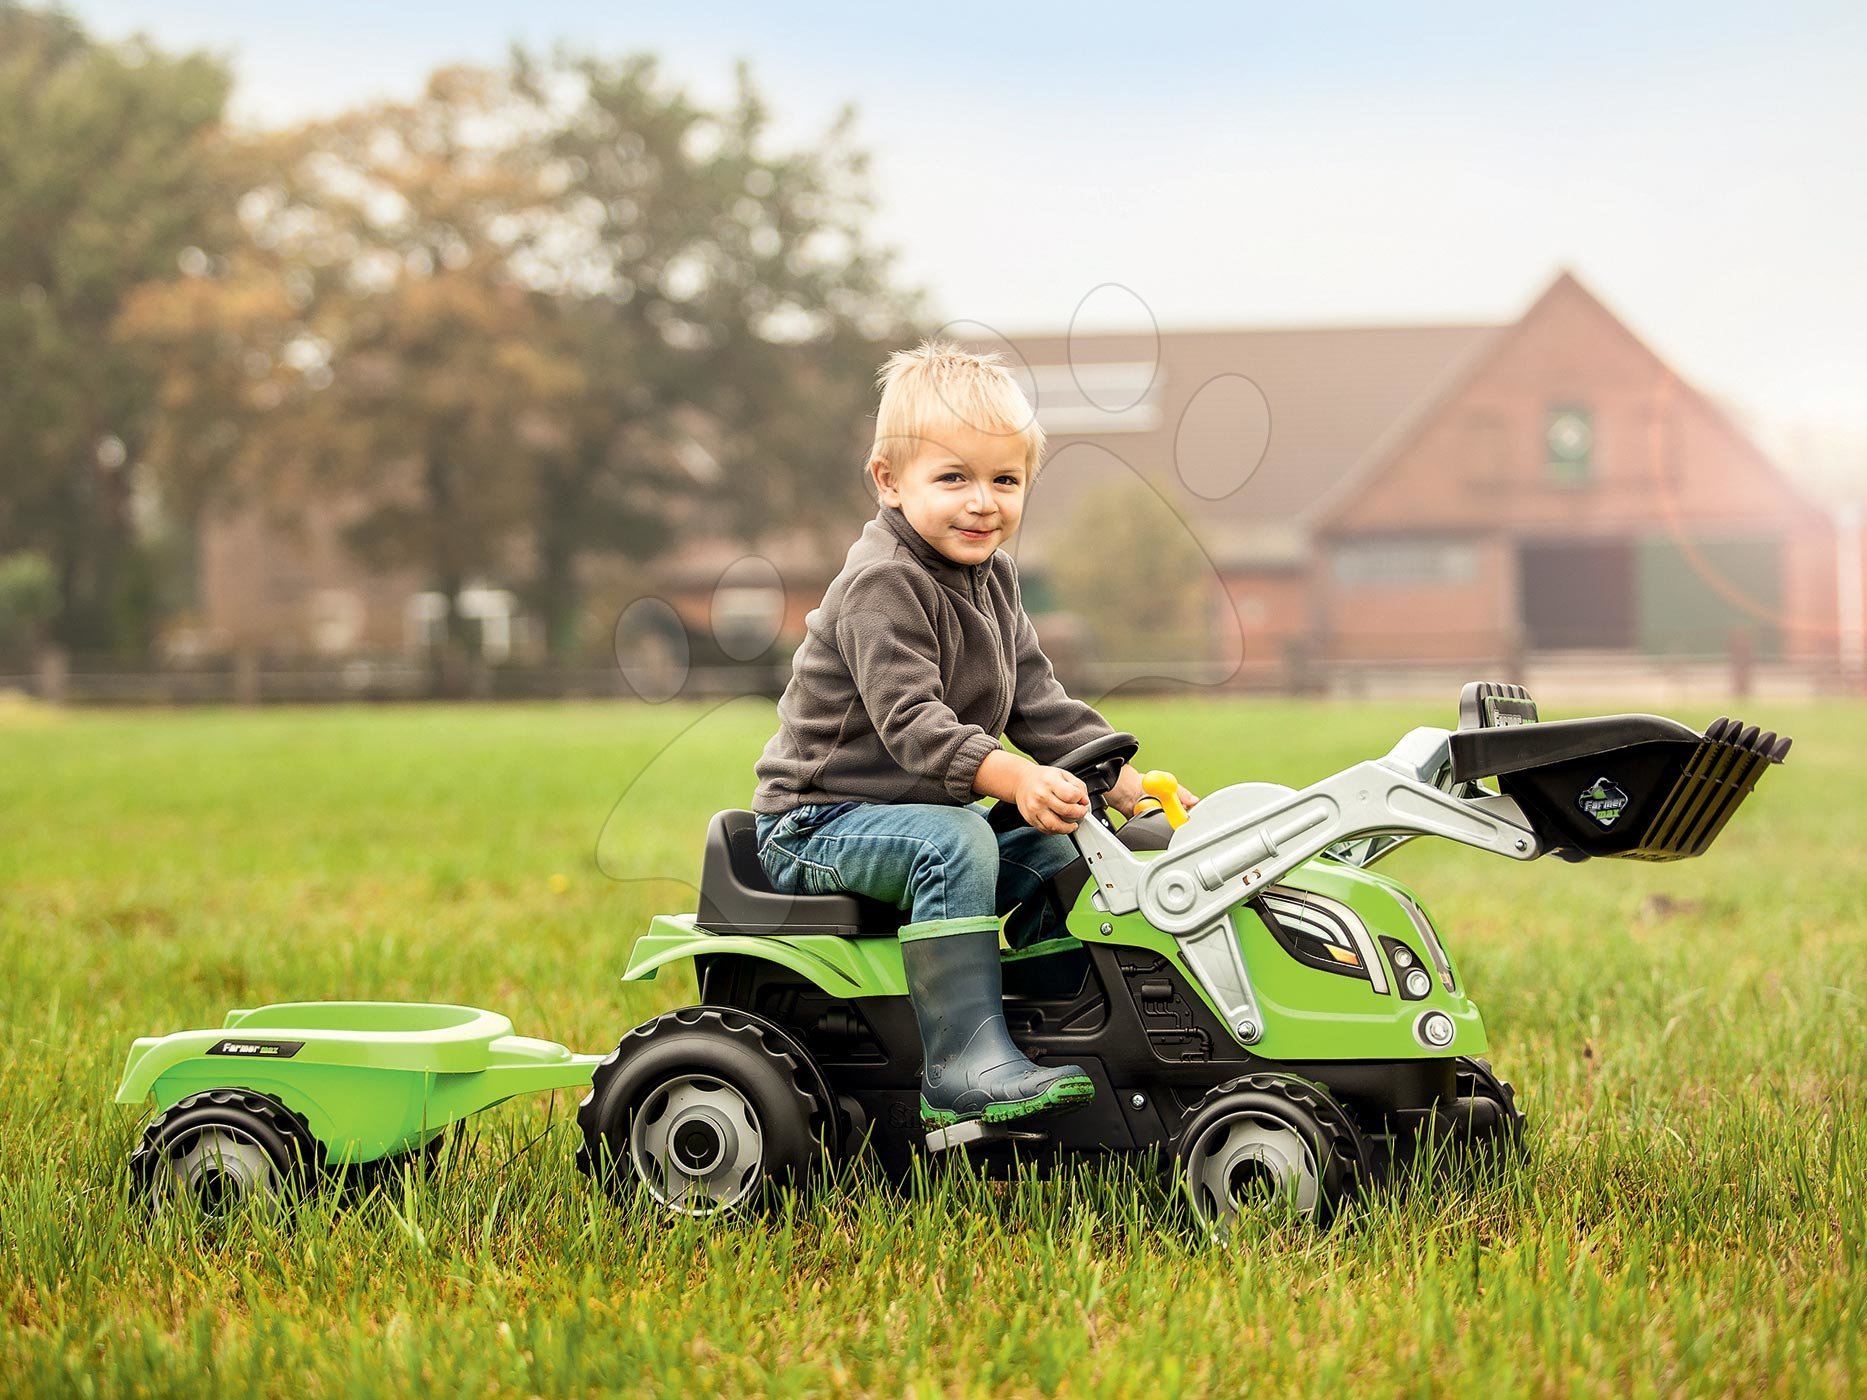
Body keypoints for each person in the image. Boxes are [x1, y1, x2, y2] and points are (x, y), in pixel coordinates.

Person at [751, 339, 1199, 1130]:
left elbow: (1036, 698)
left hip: (919, 817)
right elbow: (914, 726)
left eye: (1004, 480)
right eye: (952, 478)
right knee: (958, 840)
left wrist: (1124, 784)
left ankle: (1056, 1022)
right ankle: (961, 1064)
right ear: (890, 482)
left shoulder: (991, 579)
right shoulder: (880, 584)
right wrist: (1017, 779)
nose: (982, 502)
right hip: (816, 823)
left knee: (1064, 838)